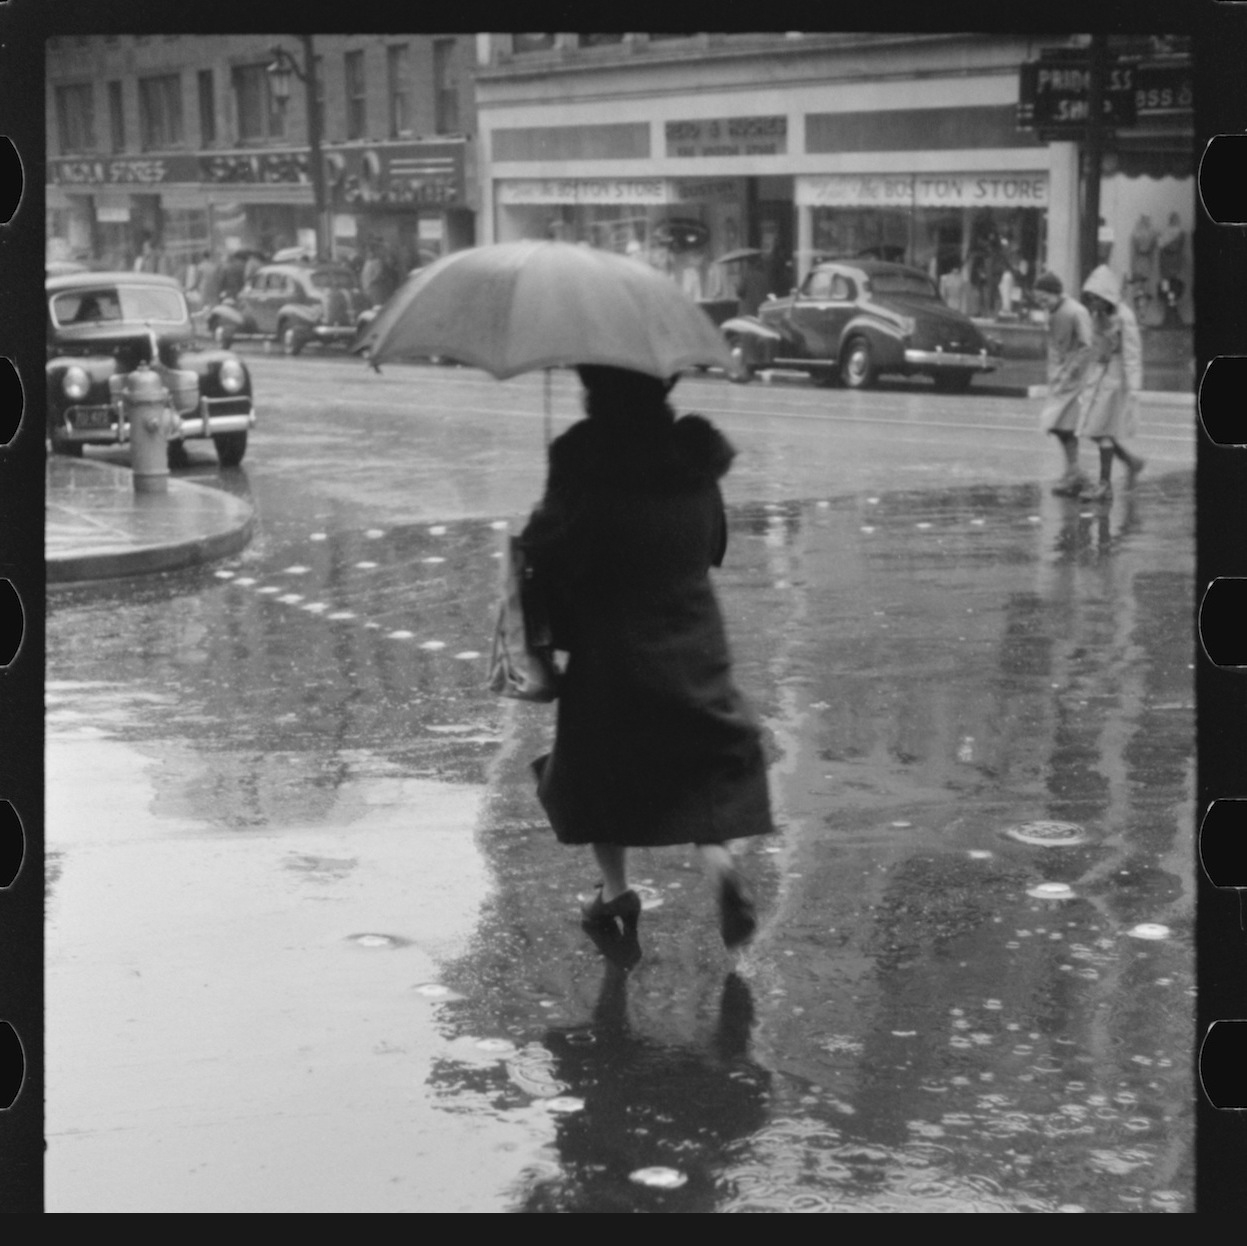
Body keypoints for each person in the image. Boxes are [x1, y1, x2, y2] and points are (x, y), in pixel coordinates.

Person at [520, 365, 775, 952]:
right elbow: (713, 543)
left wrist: (540, 533)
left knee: (595, 772)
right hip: (693, 636)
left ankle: (615, 893)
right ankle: (720, 864)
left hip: (611, 646)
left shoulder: (583, 456)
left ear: (596, 393)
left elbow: (553, 548)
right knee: (704, 765)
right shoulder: (693, 456)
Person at [1074, 264, 1146, 503]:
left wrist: (1134, 387)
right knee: (1092, 428)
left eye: (1096, 299)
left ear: (1106, 296)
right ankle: (1130, 461)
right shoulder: (1098, 316)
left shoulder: (1124, 317)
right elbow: (1095, 348)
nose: (1092, 304)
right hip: (1101, 373)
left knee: (1099, 428)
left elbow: (1133, 354)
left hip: (1117, 378)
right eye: (1090, 299)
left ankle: (1105, 485)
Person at [1034, 271, 1095, 496]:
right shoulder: (1053, 312)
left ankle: (1076, 474)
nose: (1042, 304)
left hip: (1075, 379)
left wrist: (1070, 371)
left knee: (1064, 426)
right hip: (1060, 377)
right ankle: (1074, 472)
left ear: (1056, 293)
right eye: (1038, 300)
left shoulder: (1076, 311)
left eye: (1045, 299)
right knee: (1058, 426)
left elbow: (1087, 345)